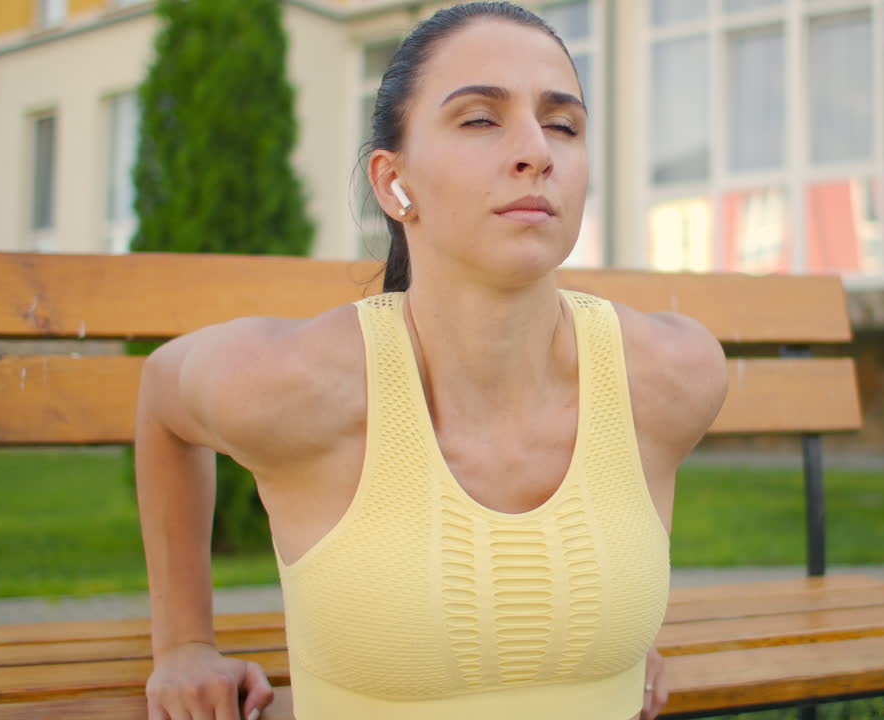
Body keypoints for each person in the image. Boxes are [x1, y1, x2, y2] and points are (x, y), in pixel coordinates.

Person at [136, 3, 728, 719]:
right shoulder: (303, 384)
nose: (536, 149)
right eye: (481, 118)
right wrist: (182, 644)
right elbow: (162, 392)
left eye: (563, 124)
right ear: (394, 184)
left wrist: (611, 636)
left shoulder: (670, 373)